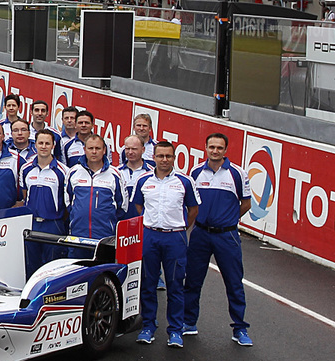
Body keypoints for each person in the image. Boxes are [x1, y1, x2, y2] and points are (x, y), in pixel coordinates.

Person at [185, 132, 253, 345]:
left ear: (226, 150)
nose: (215, 151)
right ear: (205, 148)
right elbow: (189, 203)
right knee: (193, 280)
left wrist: (228, 220)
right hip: (201, 234)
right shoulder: (195, 172)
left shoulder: (237, 174)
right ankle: (188, 322)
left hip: (227, 236)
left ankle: (240, 329)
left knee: (234, 283)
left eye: (219, 148)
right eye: (211, 147)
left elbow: (246, 203)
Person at [132, 140, 198, 347]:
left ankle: (176, 330)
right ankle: (148, 326)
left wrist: (179, 228)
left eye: (168, 156)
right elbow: (138, 205)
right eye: (160, 156)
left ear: (174, 158)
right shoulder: (143, 180)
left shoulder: (184, 182)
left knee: (175, 285)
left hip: (175, 238)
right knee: (148, 284)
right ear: (154, 157)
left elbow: (193, 210)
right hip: (150, 236)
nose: (164, 160)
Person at [18, 129, 69, 275]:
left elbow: (66, 202)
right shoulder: (26, 169)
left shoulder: (63, 171)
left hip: (53, 224)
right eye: (41, 143)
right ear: (36, 145)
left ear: (53, 145)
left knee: (52, 266)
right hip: (31, 224)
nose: (44, 146)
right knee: (30, 265)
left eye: (48, 143)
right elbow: (25, 195)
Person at [67, 134, 129, 238]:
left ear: (104, 150)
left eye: (98, 148)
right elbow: (68, 202)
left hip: (105, 235)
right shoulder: (73, 172)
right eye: (90, 148)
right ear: (84, 149)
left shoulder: (115, 174)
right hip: (78, 234)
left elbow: (122, 206)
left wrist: (108, 221)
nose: (94, 152)